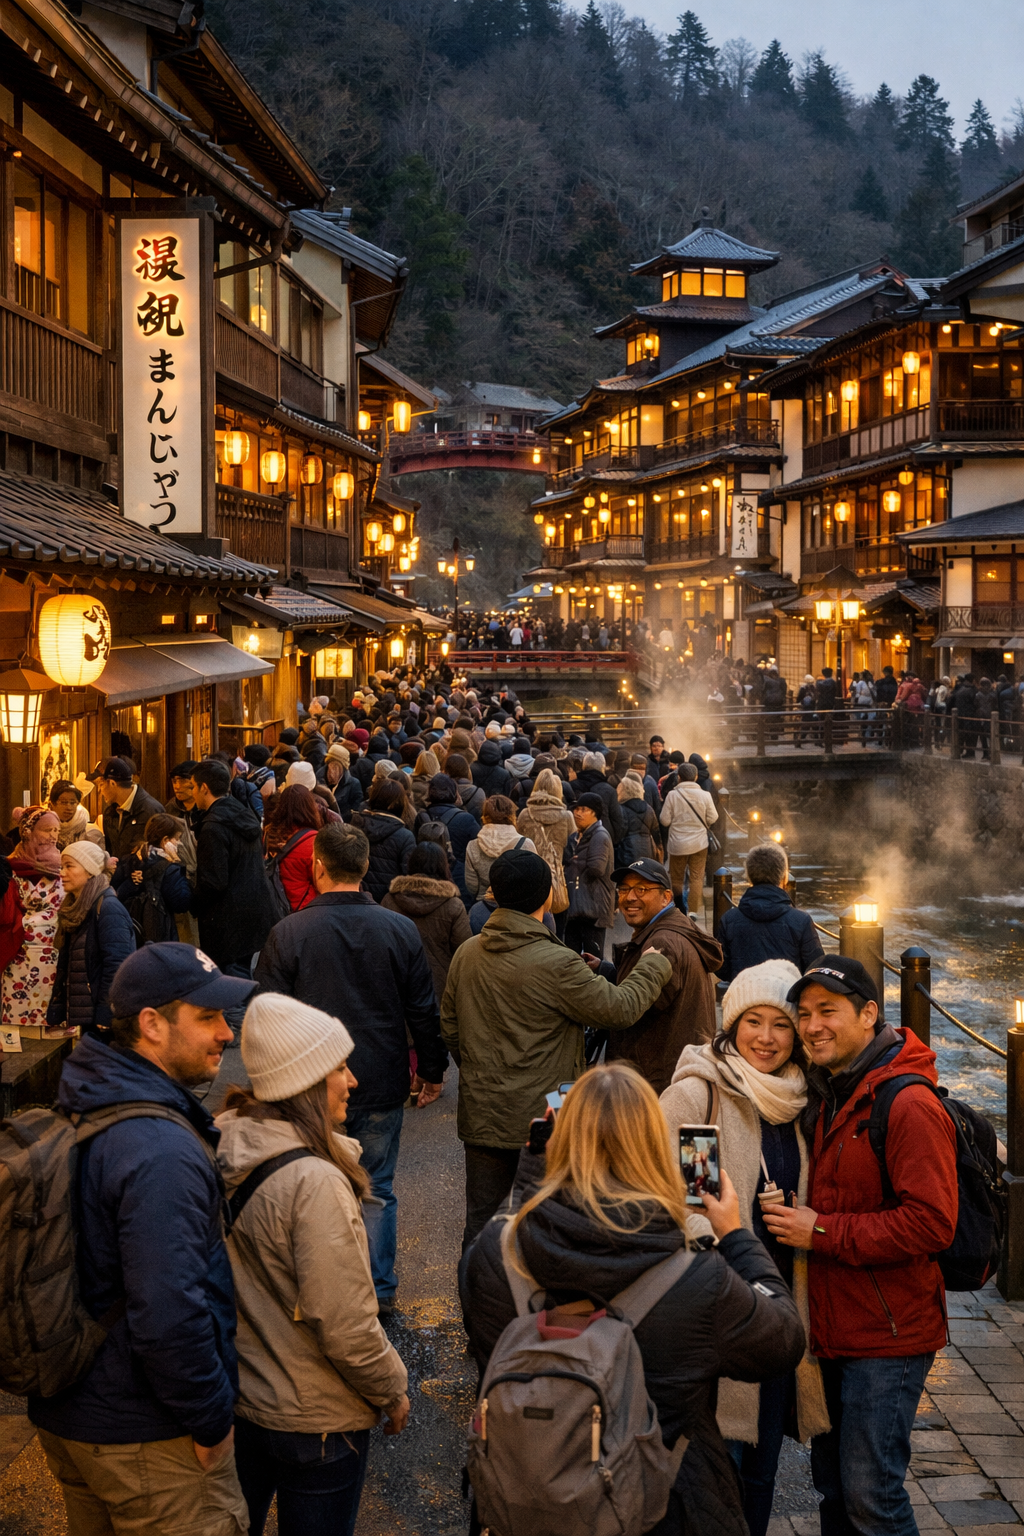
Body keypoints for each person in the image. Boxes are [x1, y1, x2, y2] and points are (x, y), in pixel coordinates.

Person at [459, 1062, 806, 1536]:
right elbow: (783, 1339)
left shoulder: (497, 1257)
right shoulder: (695, 1276)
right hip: (663, 1505)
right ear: (654, 1146)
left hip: (524, 1505)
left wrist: (535, 1163)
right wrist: (735, 1234)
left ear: (556, 1140)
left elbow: (512, 1224)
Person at [29, 944, 257, 1535]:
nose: (226, 1033)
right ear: (152, 1024)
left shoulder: (90, 1096)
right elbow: (169, 1311)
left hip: (74, 1416)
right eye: (207, 1016)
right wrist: (210, 1420)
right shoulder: (159, 1148)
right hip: (145, 1438)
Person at [760, 957, 958, 1536]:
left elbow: (932, 1223)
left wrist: (819, 1230)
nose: (811, 1026)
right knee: (836, 1492)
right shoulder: (830, 1089)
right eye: (803, 1014)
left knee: (873, 1498)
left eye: (827, 1011)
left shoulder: (908, 1104)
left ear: (869, 1014)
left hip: (889, 1334)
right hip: (834, 1326)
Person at [217, 994, 410, 1536]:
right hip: (316, 1421)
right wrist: (392, 1389)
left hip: (245, 1401)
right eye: (339, 1069)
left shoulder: (225, 1140)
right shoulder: (315, 1181)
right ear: (305, 1081)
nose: (352, 1081)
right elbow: (345, 1322)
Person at [660, 960, 830, 1536]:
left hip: (777, 1315)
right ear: (731, 1024)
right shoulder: (702, 1097)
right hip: (717, 1318)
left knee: (760, 1477)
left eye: (781, 1024)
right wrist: (736, 1234)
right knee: (717, 1479)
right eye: (753, 1021)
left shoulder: (799, 1101)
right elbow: (683, 1208)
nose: (766, 1038)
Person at [255, 822, 448, 1314]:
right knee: (376, 1186)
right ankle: (378, 1288)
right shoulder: (398, 928)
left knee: (310, 1182)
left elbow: (267, 1014)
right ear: (364, 868)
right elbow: (422, 1008)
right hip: (381, 1073)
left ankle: (323, 1289)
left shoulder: (289, 932)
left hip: (310, 1081)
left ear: (317, 866)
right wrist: (432, 1068)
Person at [441, 848, 673, 1248]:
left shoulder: (467, 954)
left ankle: (479, 1286)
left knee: (482, 1220)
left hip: (483, 1113)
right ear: (547, 895)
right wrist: (652, 965)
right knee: (545, 1217)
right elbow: (620, 1008)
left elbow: (450, 1028)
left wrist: (482, 1072)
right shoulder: (557, 962)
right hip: (546, 1117)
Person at [604, 859, 722, 1094]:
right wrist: (607, 971)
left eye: (642, 889)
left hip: (657, 1085)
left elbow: (629, 1007)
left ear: (666, 897)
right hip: (671, 1075)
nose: (630, 897)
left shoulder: (662, 943)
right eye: (624, 889)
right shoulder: (670, 930)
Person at [190, 759, 278, 976]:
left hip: (227, 924)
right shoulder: (241, 812)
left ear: (204, 788)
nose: (192, 793)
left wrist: (191, 900)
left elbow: (213, 882)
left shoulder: (213, 827)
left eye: (192, 786)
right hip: (255, 913)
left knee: (232, 985)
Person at [47, 841, 136, 1037]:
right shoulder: (77, 908)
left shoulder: (107, 908)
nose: (62, 873)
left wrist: (106, 1011)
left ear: (89, 871)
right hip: (88, 1015)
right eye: (62, 867)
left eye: (69, 866)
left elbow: (117, 965)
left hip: (103, 1020)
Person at [718, 843, 825, 983]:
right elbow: (816, 969)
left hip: (744, 993)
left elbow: (722, 968)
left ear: (749, 877)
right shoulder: (801, 920)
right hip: (787, 995)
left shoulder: (729, 919)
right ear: (784, 877)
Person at [382, 841, 472, 1002]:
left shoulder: (389, 901)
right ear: (443, 867)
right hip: (441, 987)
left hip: (398, 985)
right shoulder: (453, 905)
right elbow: (464, 951)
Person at [2, 805, 63, 1030]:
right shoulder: (8, 868)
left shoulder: (65, 866)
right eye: (47, 830)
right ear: (28, 832)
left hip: (54, 959)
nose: (53, 836)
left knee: (51, 1026)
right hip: (17, 958)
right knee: (17, 1031)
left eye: (56, 830)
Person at [120, 812, 198, 945]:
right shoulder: (170, 869)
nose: (179, 843)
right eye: (177, 838)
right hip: (162, 933)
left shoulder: (132, 860)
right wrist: (178, 865)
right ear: (165, 841)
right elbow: (182, 902)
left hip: (134, 932)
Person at [516, 768, 575, 937]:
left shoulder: (525, 815)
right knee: (558, 932)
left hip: (530, 879)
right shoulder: (567, 817)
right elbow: (571, 850)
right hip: (558, 881)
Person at [412, 774, 479, 903]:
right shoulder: (466, 819)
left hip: (428, 877)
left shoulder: (421, 817)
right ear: (454, 792)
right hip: (458, 879)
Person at [660, 762, 716, 913]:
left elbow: (664, 820)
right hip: (699, 844)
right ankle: (693, 911)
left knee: (677, 879)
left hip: (677, 845)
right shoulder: (705, 795)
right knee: (696, 878)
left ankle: (679, 909)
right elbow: (713, 817)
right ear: (696, 777)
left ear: (679, 777)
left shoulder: (672, 795)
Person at [564, 793, 614, 957]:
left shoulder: (600, 836)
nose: (578, 813)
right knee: (572, 958)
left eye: (583, 809)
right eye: (576, 809)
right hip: (577, 907)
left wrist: (575, 862)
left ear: (595, 813)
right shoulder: (575, 836)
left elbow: (596, 868)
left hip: (593, 908)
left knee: (593, 959)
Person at [351, 777, 416, 903]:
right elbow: (408, 877)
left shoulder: (354, 827)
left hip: (357, 898)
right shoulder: (405, 836)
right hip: (389, 903)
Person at [95, 757, 165, 866]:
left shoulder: (151, 810)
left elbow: (159, 854)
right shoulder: (110, 812)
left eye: (101, 785)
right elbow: (111, 851)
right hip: (118, 874)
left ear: (112, 783)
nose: (99, 791)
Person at [464, 795, 536, 900]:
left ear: (484, 816)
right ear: (512, 815)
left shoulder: (473, 846)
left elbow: (472, 887)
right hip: (517, 904)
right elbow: (534, 880)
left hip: (484, 903)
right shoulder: (526, 844)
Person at [263, 784, 322, 912]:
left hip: (276, 905)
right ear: (309, 806)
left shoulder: (269, 833)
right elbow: (321, 881)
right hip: (305, 909)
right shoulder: (313, 840)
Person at [615, 771, 663, 867]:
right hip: (647, 853)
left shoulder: (620, 810)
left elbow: (618, 834)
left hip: (626, 853)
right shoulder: (649, 809)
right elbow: (656, 833)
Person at [48, 779, 104, 851]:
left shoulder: (88, 831)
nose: (68, 808)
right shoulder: (44, 825)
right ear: (52, 804)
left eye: (72, 803)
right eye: (64, 802)